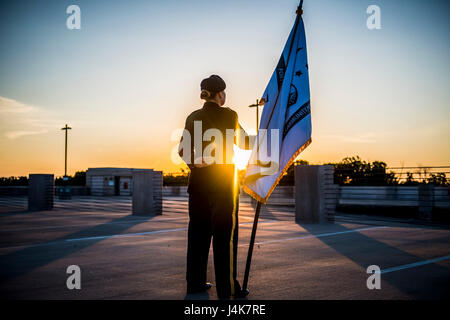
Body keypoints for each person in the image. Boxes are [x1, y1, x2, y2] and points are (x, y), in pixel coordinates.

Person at [178, 74, 251, 299]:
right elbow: (245, 143)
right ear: (220, 94)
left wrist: (196, 164)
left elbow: (182, 150)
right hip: (223, 186)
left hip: (198, 186)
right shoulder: (230, 115)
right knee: (224, 239)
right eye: (224, 92)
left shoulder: (193, 117)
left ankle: (195, 284)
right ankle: (227, 289)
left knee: (198, 236)